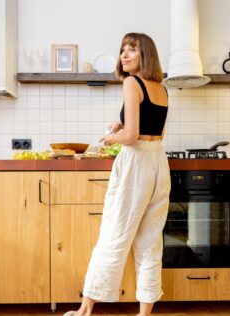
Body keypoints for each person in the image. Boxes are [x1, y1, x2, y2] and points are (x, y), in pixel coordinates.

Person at [64, 33, 171, 316]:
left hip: (136, 164)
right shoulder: (161, 87)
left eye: (132, 49)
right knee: (150, 241)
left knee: (114, 233)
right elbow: (150, 128)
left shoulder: (131, 82)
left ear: (145, 55)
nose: (124, 54)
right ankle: (144, 313)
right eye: (123, 49)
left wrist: (112, 138)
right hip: (159, 162)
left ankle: (85, 309)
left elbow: (133, 136)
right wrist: (120, 124)